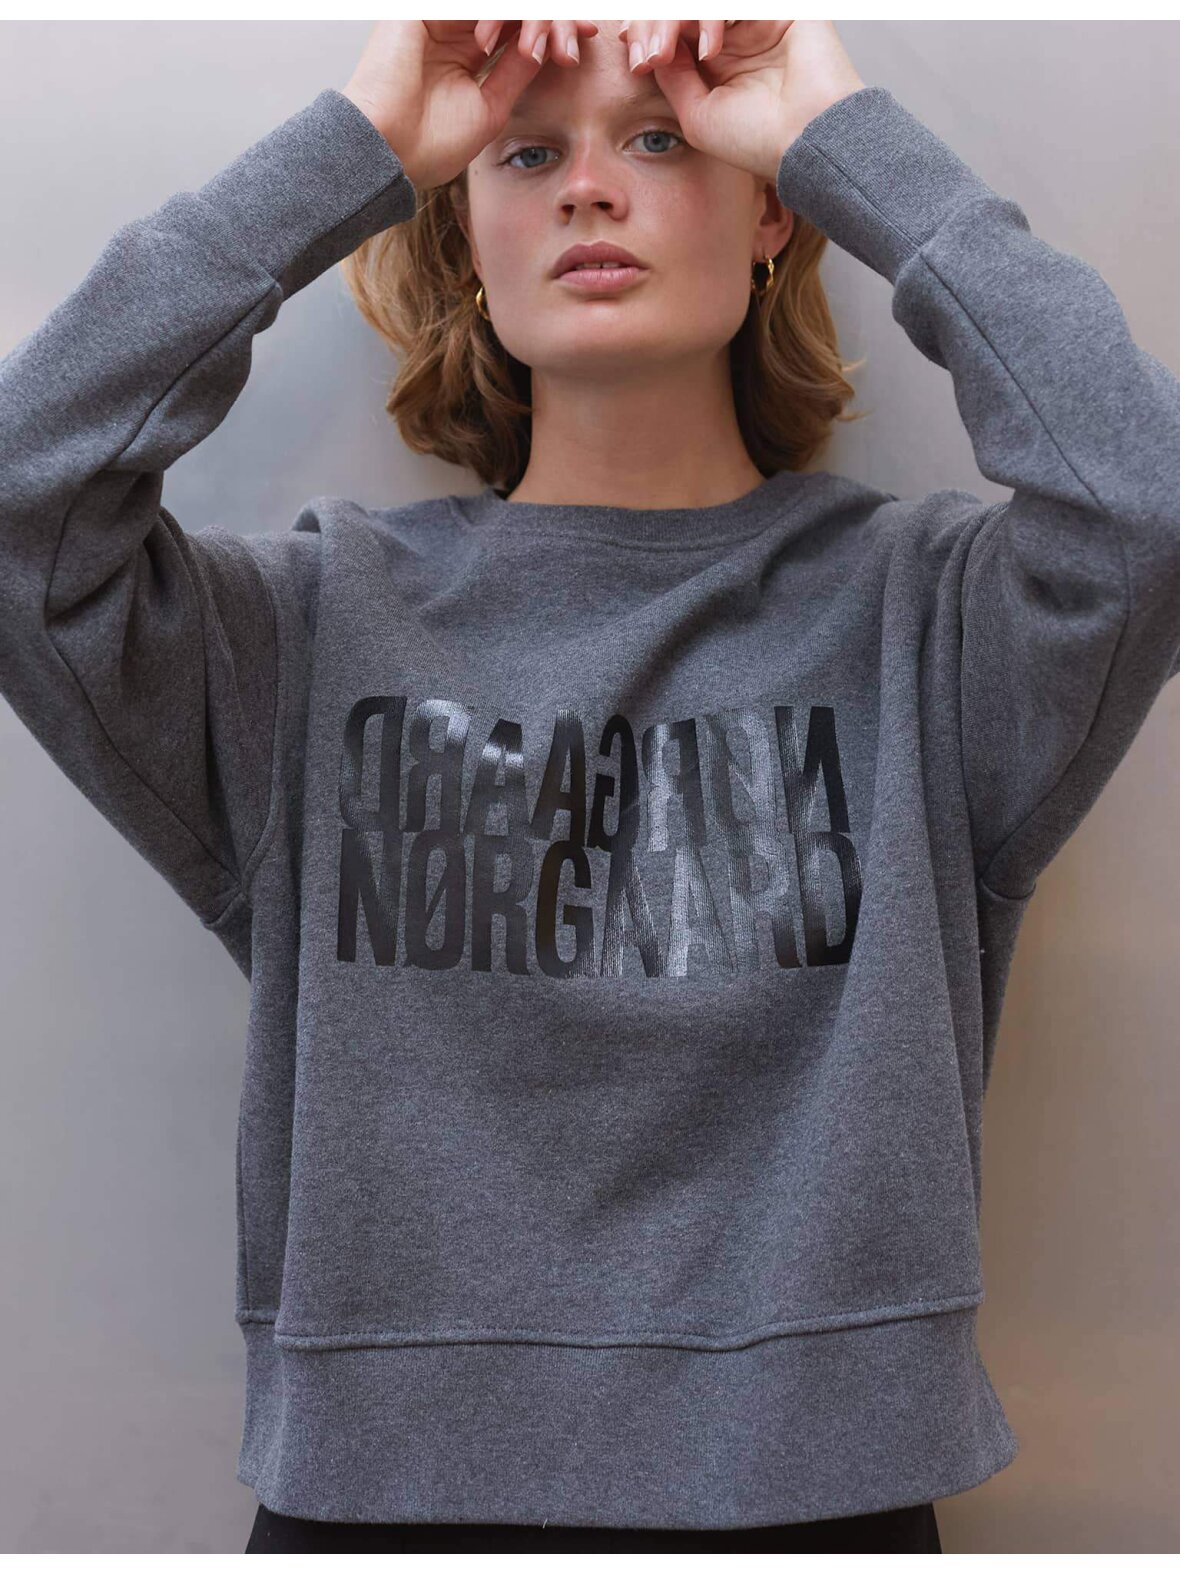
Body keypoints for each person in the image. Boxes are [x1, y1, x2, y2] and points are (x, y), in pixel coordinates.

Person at [2, 16, 1176, 1556]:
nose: (587, 189)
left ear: (773, 210)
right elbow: (26, 509)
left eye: (661, 138)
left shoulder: (923, 619)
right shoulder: (310, 630)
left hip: (816, 1501)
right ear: (465, 231)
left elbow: (1141, 505)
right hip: (380, 1503)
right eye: (528, 154)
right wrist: (358, 147)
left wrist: (844, 136)